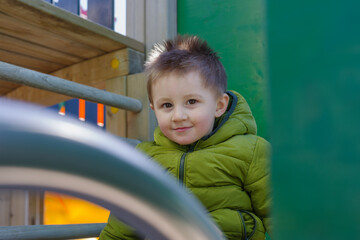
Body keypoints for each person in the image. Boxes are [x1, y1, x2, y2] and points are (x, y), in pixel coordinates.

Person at [100, 35, 272, 240]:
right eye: (167, 105)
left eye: (191, 101)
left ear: (219, 105)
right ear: (154, 108)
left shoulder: (251, 151)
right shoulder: (145, 159)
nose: (178, 116)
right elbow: (123, 223)